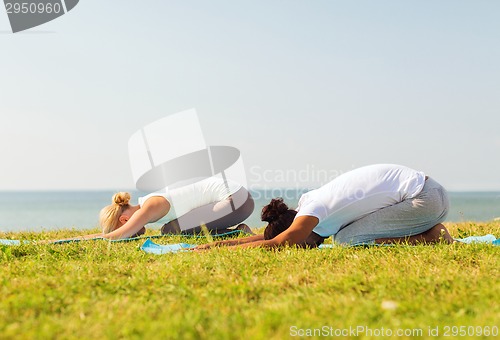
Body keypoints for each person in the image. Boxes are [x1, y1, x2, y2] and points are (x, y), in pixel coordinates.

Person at [196, 164, 454, 250]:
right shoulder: (309, 206)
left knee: (347, 239)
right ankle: (427, 229)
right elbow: (269, 237)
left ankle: (431, 236)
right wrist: (211, 245)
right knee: (346, 235)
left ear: (300, 230)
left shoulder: (313, 210)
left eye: (303, 245)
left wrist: (212, 250)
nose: (308, 247)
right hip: (427, 194)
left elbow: (277, 242)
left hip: (425, 199)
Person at [64, 177, 254, 241]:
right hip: (239, 200)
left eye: (126, 230)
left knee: (170, 230)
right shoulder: (148, 203)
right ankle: (239, 232)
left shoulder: (149, 206)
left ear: (123, 221)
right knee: (171, 228)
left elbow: (114, 237)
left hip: (236, 200)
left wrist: (69, 240)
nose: (132, 235)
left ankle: (238, 232)